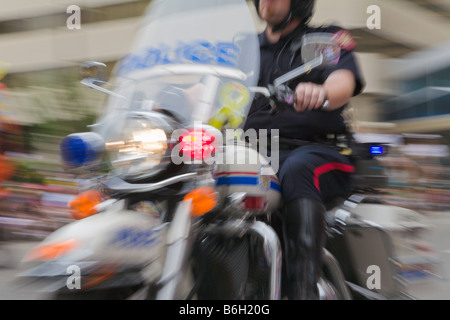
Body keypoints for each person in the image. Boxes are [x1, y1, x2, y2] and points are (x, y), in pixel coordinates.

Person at [244, 0, 364, 299]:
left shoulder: (319, 42)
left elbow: (342, 82)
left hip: (318, 151)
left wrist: (322, 91)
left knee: (297, 170)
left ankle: (302, 291)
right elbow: (209, 84)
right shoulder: (244, 50)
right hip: (257, 153)